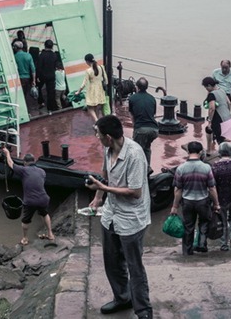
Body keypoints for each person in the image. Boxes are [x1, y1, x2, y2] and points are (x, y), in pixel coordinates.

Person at [86, 115, 152, 318]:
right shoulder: (107, 149)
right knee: (112, 262)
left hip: (131, 218)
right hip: (110, 214)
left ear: (107, 136)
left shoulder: (134, 154)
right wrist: (98, 196)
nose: (96, 137)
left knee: (134, 266)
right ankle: (122, 298)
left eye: (97, 134)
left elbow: (135, 191)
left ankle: (143, 309)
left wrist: (104, 188)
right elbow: (105, 173)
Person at [170, 141, 221, 255]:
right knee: (204, 223)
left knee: (188, 227)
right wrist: (216, 203)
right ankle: (202, 244)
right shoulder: (206, 168)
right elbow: (212, 188)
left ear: (188, 151)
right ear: (201, 152)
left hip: (187, 202)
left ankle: (187, 251)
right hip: (203, 201)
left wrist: (174, 206)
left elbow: (178, 190)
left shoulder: (181, 168)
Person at [2, 148, 54, 246]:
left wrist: (7, 153)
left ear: (25, 162)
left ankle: (25, 239)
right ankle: (50, 234)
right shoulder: (42, 171)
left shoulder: (23, 170)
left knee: (25, 220)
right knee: (44, 213)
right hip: (44, 199)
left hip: (30, 201)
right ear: (34, 161)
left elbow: (10, 163)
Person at [127, 77, 158, 170]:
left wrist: (135, 126)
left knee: (136, 151)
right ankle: (147, 167)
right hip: (154, 130)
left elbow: (131, 114)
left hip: (141, 129)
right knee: (147, 147)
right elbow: (153, 114)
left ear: (137, 87)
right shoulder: (152, 98)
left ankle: (138, 170)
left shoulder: (132, 98)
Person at [76, 53, 108, 123]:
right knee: (97, 106)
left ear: (87, 61)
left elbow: (84, 83)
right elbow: (106, 79)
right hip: (100, 89)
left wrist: (78, 91)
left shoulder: (88, 71)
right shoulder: (101, 67)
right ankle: (97, 122)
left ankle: (97, 121)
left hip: (92, 90)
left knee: (90, 107)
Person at [202, 77, 231, 152]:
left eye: (206, 88)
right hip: (227, 116)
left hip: (218, 118)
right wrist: (227, 111)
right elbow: (229, 103)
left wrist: (209, 121)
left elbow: (212, 108)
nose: (206, 90)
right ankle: (212, 148)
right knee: (223, 135)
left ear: (209, 85)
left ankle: (211, 150)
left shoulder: (212, 94)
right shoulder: (222, 90)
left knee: (218, 137)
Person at [36, 39, 58, 112]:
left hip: (42, 75)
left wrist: (38, 76)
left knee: (39, 88)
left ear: (44, 45)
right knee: (50, 92)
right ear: (52, 46)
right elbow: (55, 66)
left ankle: (41, 101)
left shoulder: (41, 55)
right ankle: (50, 108)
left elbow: (39, 67)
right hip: (51, 75)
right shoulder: (54, 55)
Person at [13, 41, 35, 110]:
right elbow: (33, 69)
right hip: (27, 78)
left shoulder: (14, 57)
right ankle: (27, 110)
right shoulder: (28, 55)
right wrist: (34, 80)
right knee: (26, 94)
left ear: (16, 48)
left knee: (19, 95)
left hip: (19, 78)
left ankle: (21, 110)